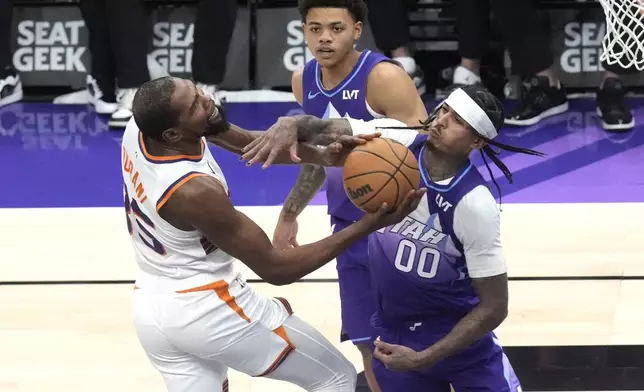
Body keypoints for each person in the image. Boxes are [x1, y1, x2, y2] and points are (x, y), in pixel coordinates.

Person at [123, 76, 424, 392]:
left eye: (198, 88)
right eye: (196, 104)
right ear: (172, 133)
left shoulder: (144, 128)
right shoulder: (193, 192)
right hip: (208, 308)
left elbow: (249, 143)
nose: (207, 98)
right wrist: (367, 225)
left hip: (152, 307)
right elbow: (277, 269)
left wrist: (323, 155)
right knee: (337, 379)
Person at [241, 84, 546, 391]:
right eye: (444, 110)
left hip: (460, 342)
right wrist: (292, 124)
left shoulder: (474, 204)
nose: (440, 121)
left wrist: (424, 357)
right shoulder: (394, 141)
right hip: (394, 332)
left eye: (458, 121)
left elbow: (495, 307)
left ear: (477, 141)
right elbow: (324, 130)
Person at [276, 1, 428, 388]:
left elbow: (427, 141)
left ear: (357, 30)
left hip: (400, 226)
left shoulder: (384, 77)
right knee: (367, 342)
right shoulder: (302, 80)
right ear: (304, 31)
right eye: (315, 28)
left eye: (336, 28)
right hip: (347, 226)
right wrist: (291, 211)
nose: (325, 37)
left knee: (419, 340)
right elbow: (318, 156)